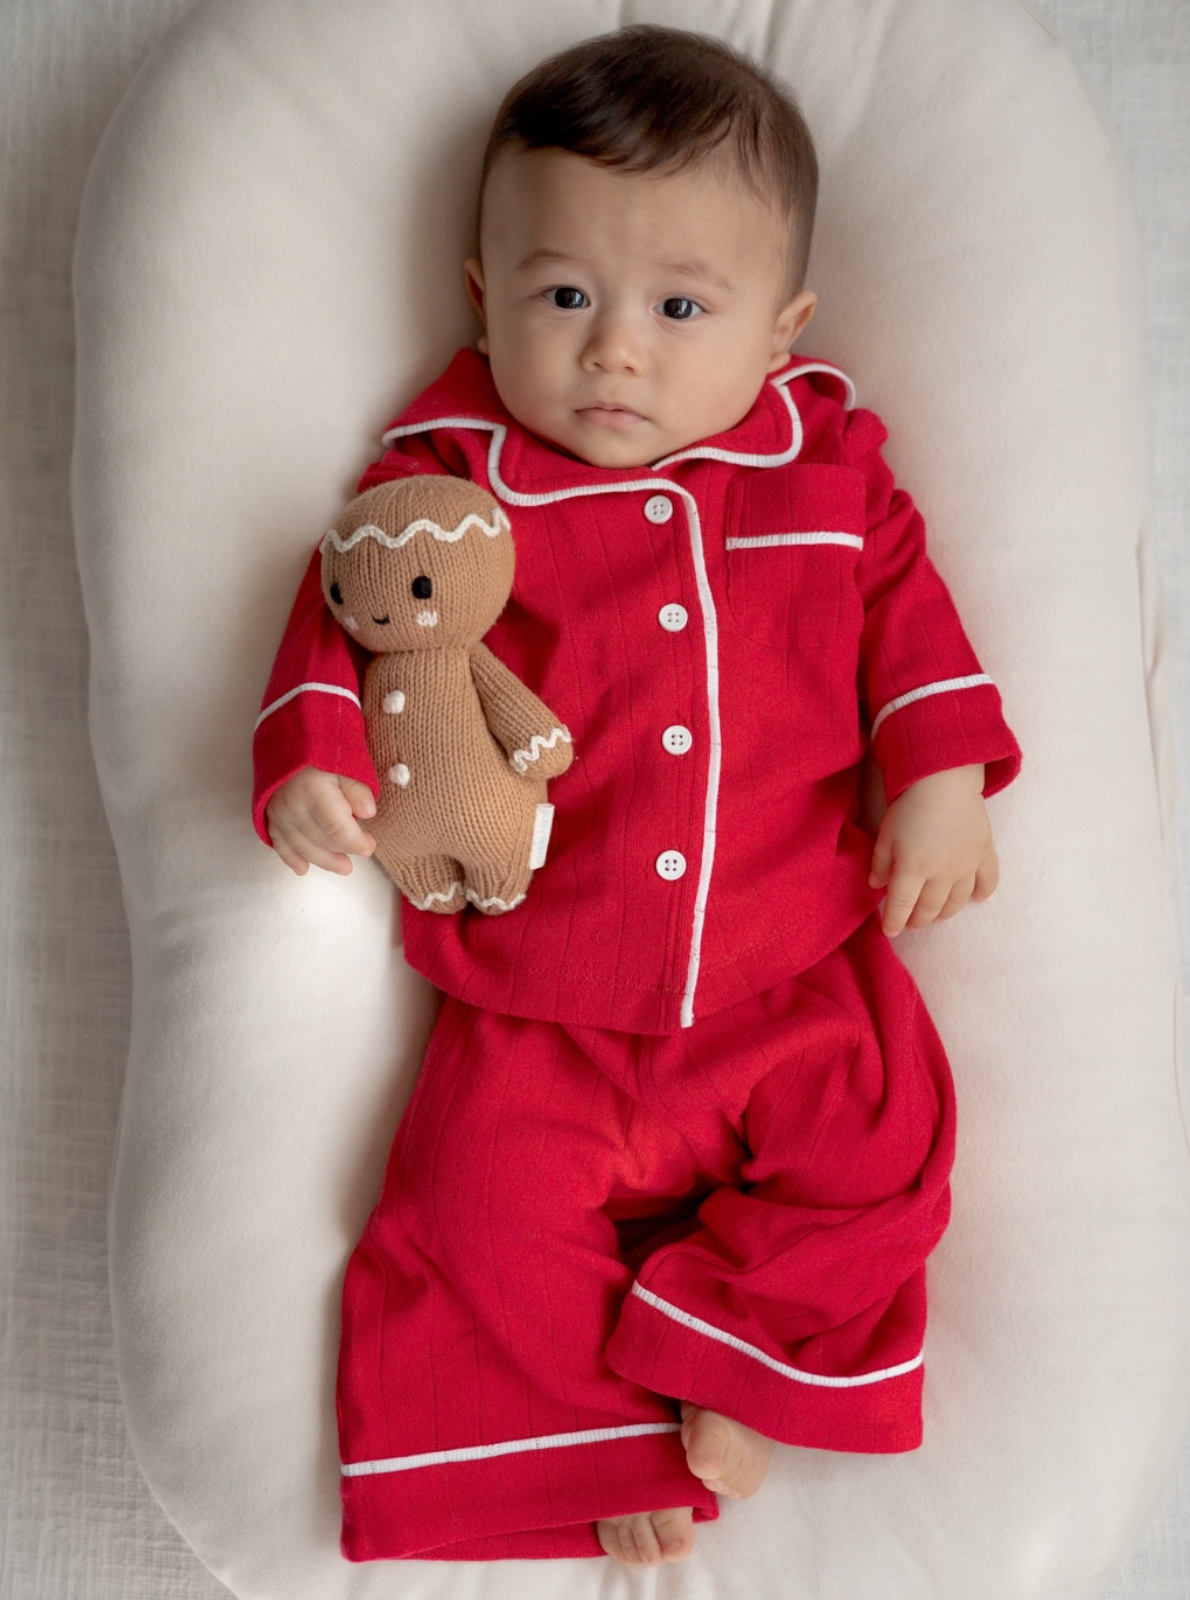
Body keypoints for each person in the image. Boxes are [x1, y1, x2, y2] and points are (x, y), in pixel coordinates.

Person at [252, 24, 1021, 1568]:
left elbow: (906, 615)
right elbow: (355, 613)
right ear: (485, 296)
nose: (615, 349)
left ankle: (726, 1345)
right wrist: (312, 760)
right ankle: (598, 1432)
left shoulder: (822, 472)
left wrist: (936, 780)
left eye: (680, 306)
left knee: (891, 1155)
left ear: (782, 330)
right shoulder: (454, 476)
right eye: (562, 296)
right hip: (541, 991)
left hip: (785, 962)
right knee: (470, 1207)